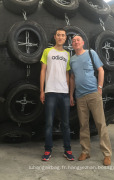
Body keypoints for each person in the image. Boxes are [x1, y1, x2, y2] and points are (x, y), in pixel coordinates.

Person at [69, 35, 112, 166]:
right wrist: (71, 95)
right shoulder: (72, 60)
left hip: (93, 94)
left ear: (83, 42)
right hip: (80, 97)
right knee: (83, 125)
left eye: (78, 40)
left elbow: (101, 70)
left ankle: (107, 154)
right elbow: (72, 78)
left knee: (100, 124)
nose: (76, 42)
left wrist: (99, 87)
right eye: (74, 41)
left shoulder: (90, 53)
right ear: (72, 44)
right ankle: (85, 151)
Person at [40, 28, 74, 161]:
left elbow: (67, 74)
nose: (61, 37)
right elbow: (43, 71)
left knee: (66, 124)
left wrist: (70, 94)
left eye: (63, 35)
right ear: (55, 37)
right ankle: (48, 150)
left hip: (64, 93)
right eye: (58, 35)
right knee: (49, 123)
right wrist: (42, 90)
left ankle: (68, 150)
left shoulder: (67, 54)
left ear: (66, 38)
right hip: (50, 92)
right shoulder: (47, 51)